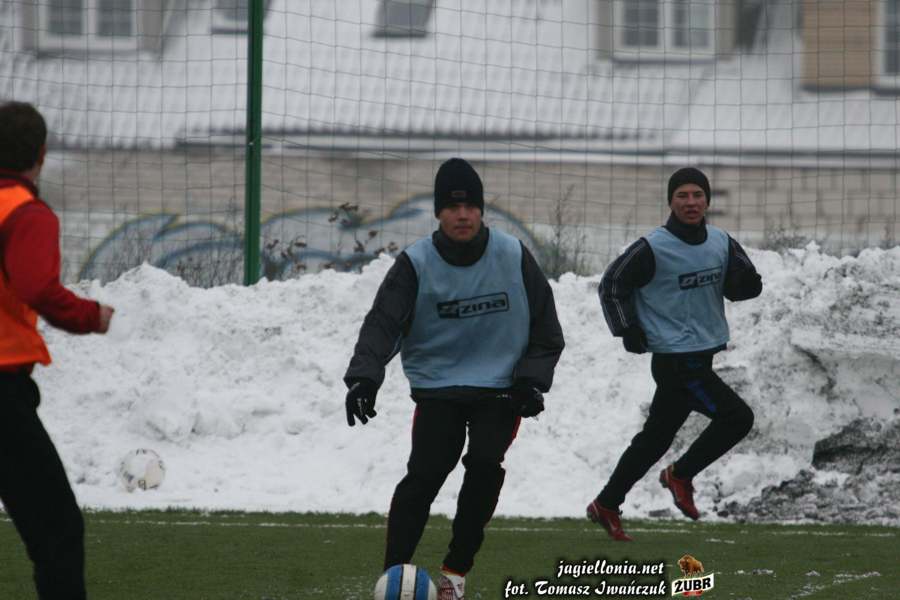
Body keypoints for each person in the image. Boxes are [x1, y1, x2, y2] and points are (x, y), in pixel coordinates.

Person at [344, 158, 565, 600]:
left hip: (500, 388)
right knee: (424, 475)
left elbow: (546, 330)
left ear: (481, 210)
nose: (462, 215)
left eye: (470, 207)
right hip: (438, 387)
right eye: (451, 207)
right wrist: (364, 378)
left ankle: (455, 574)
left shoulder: (512, 255)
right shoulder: (415, 263)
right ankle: (394, 577)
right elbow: (383, 324)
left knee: (484, 464)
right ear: (438, 213)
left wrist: (531, 382)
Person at [587, 167, 762, 541]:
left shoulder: (721, 241)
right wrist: (627, 328)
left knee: (654, 439)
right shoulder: (652, 247)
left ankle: (606, 503)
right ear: (670, 201)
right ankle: (680, 475)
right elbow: (612, 284)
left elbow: (744, 286)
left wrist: (747, 283)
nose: (690, 202)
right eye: (682, 195)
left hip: (702, 353)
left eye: (697, 195)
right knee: (737, 418)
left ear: (707, 201)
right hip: (676, 360)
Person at [0, 101, 115, 599]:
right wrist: (90, 315)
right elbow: (36, 287)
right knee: (57, 528)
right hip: (2, 388)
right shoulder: (26, 212)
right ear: (41, 154)